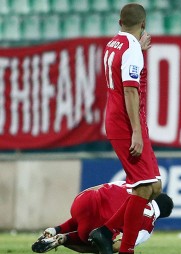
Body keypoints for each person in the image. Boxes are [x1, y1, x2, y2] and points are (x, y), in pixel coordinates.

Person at [89, 3, 162, 254]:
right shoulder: (131, 48)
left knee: (154, 188)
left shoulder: (114, 43)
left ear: (120, 23)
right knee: (142, 187)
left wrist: (138, 51)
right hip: (126, 122)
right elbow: (130, 90)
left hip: (120, 118)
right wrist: (137, 131)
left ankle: (106, 231)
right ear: (143, 24)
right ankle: (125, 249)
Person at [31, 182, 173, 253]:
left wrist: (83, 198)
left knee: (89, 213)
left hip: (82, 203)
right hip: (93, 228)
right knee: (100, 238)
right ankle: (65, 239)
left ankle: (56, 230)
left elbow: (97, 188)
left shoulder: (132, 185)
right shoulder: (148, 228)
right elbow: (119, 245)